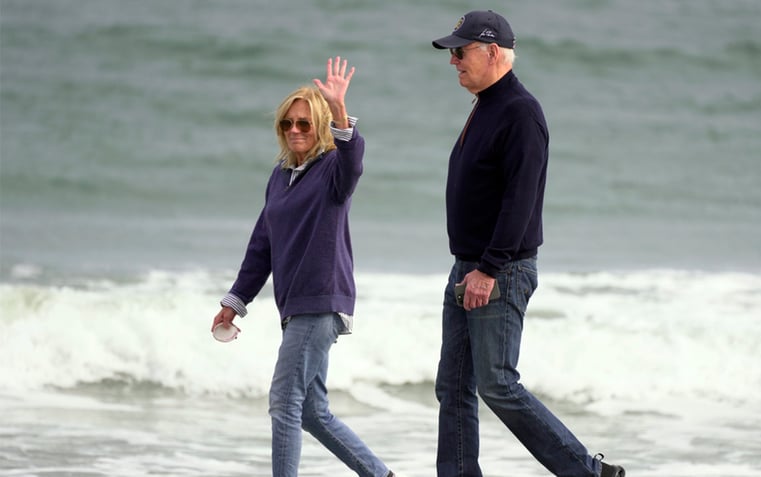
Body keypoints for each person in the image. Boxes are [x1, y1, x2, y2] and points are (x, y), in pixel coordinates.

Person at [431, 11, 626, 477]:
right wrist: (472, 268)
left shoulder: (519, 111)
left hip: (497, 270)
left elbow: (520, 200)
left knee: (497, 383)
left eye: (461, 52)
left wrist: (489, 268)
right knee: (453, 385)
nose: (453, 61)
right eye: (452, 53)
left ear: (493, 52)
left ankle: (589, 472)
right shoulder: (487, 103)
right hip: (469, 267)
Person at [210, 57, 398, 477]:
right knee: (311, 411)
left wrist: (338, 110)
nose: (295, 131)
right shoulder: (279, 177)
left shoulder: (333, 170)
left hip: (321, 300)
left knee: (283, 401)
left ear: (319, 128)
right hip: (295, 305)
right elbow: (262, 246)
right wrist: (235, 301)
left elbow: (354, 157)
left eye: (304, 124)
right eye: (287, 125)